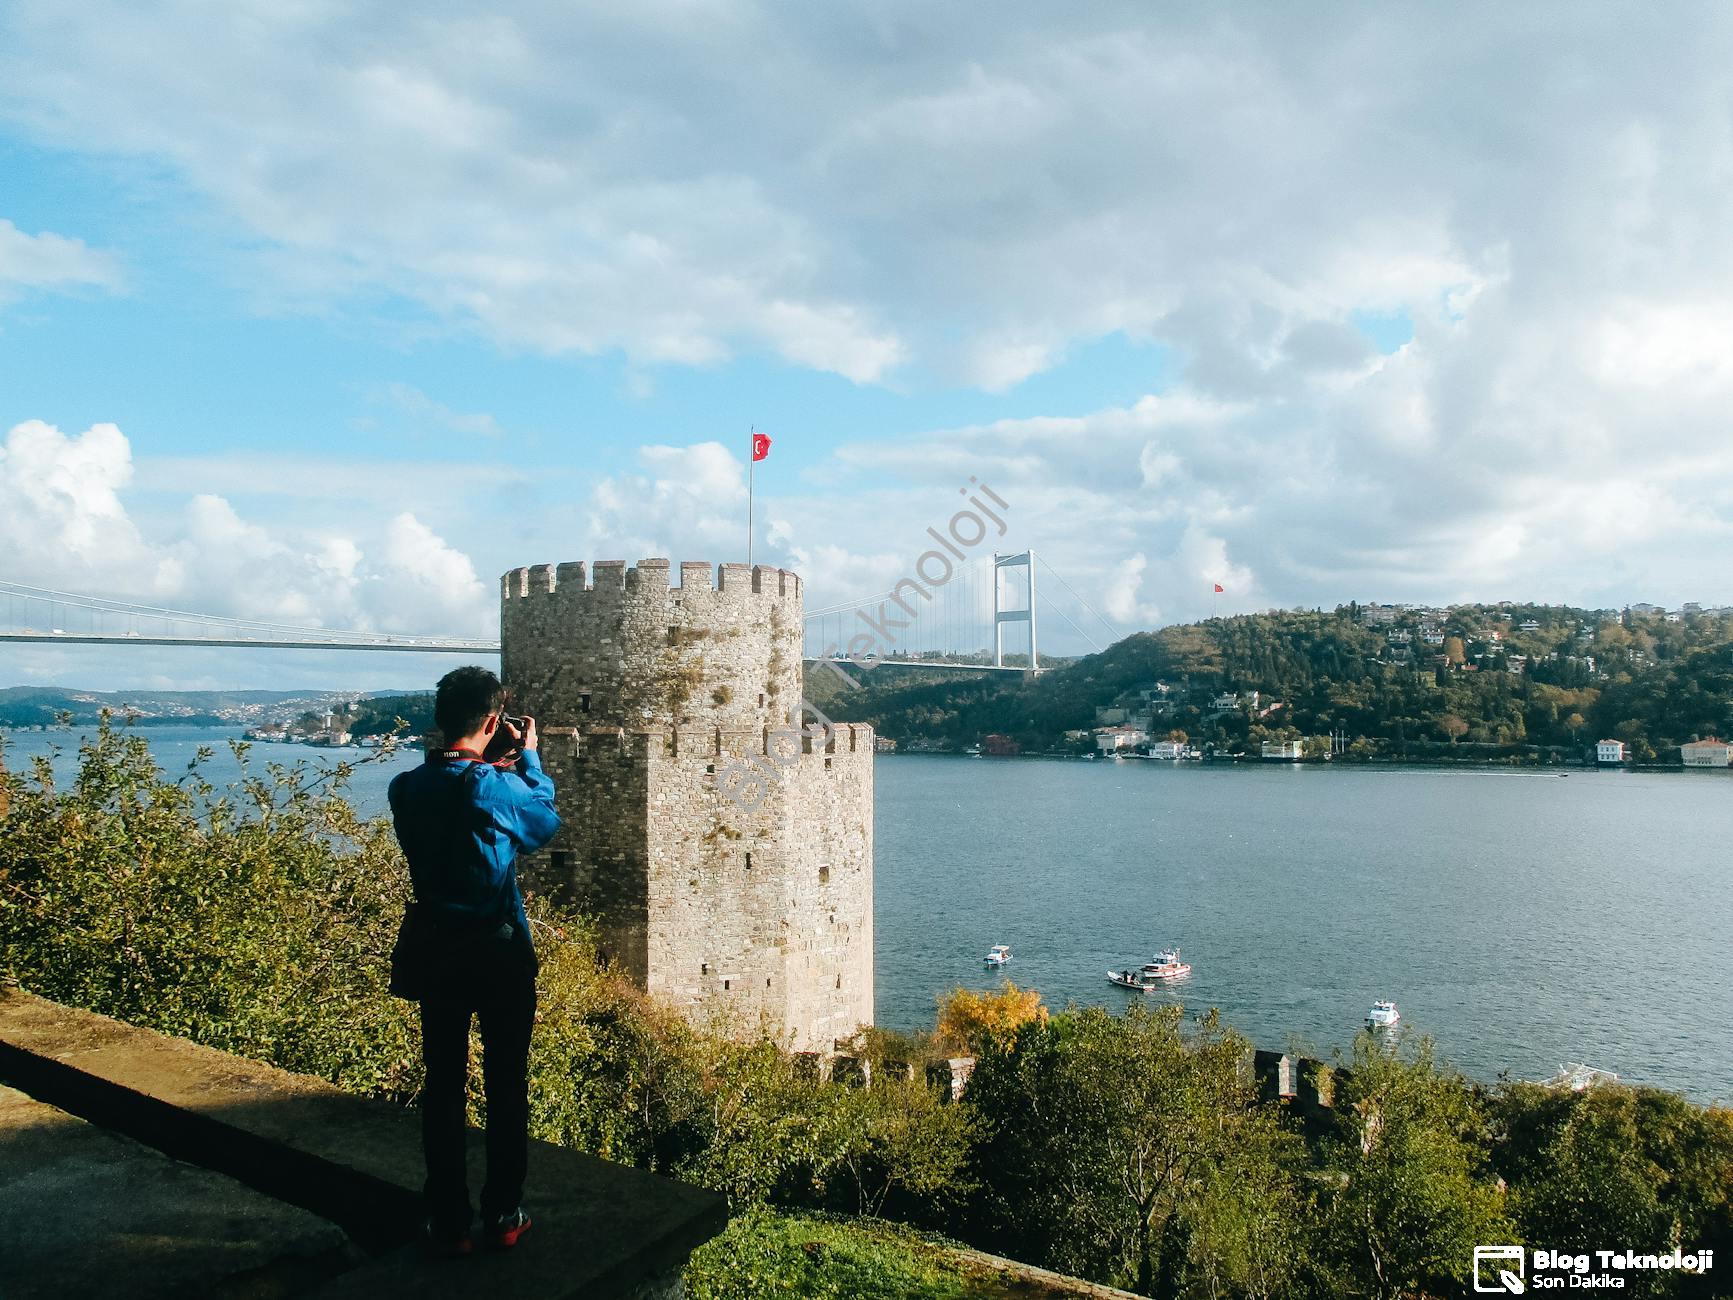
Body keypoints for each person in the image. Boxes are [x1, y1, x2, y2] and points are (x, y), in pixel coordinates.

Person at [388, 666, 560, 1256]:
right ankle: (505, 1212)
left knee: (443, 1085)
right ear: (493, 722)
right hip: (497, 952)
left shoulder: (404, 787)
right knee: (505, 1083)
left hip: (436, 949)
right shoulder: (491, 786)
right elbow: (543, 824)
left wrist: (497, 770)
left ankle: (449, 1219)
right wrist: (529, 762)